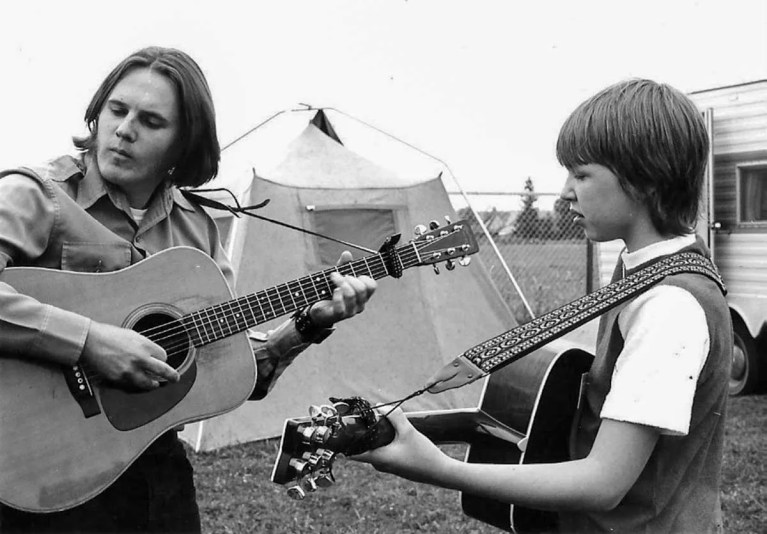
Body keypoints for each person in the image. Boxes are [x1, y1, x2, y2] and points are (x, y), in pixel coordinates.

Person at [0, 46, 376, 533]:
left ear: (184, 143)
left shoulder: (198, 233)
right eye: (117, 110)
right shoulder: (37, 196)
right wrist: (91, 341)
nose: (124, 129)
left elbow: (227, 373)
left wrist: (308, 325)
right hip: (33, 467)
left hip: (154, 476)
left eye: (151, 121)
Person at [353, 79, 732, 533]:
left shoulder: (670, 305)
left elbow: (603, 482)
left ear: (645, 178)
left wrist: (438, 469)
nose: (565, 192)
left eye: (582, 173)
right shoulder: (645, 272)